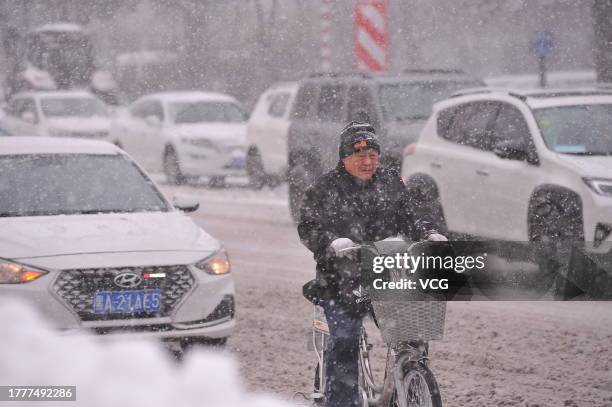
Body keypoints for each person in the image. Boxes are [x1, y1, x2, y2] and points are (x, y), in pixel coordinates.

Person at [297, 121, 447, 407]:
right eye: (360, 155)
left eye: (373, 155)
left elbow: (412, 214)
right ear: (344, 158)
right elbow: (309, 226)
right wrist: (331, 241)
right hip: (340, 280)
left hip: (386, 271)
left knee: (412, 336)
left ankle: (408, 382)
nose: (368, 162)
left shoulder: (390, 182)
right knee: (344, 340)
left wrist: (429, 232)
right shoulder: (324, 188)